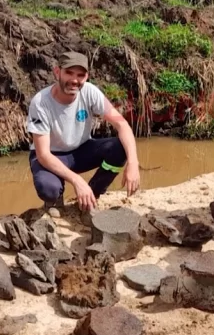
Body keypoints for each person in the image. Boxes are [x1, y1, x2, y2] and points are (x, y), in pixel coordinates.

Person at [26, 51, 140, 220]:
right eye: (69, 73)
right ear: (57, 72)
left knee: (119, 148)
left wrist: (133, 163)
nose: (74, 80)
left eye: (80, 75)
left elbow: (122, 124)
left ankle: (91, 195)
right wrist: (77, 181)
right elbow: (43, 155)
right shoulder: (41, 102)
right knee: (48, 188)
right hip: (51, 155)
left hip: (81, 150)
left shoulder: (90, 92)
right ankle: (55, 201)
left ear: (86, 77)